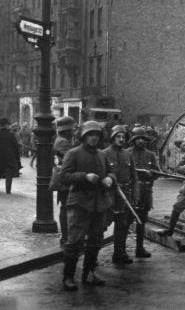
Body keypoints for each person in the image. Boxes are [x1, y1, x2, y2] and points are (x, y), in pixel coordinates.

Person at [59, 120, 116, 291]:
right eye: (90, 135)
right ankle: (68, 277)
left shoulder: (101, 154)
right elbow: (64, 176)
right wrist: (84, 176)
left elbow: (110, 171)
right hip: (80, 203)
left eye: (96, 135)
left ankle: (89, 274)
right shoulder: (73, 153)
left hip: (99, 204)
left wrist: (110, 178)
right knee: (74, 241)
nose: (93, 138)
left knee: (95, 241)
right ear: (83, 137)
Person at [103, 125, 139, 264]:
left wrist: (135, 194)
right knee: (102, 225)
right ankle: (92, 257)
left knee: (123, 225)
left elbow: (134, 176)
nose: (121, 139)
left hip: (125, 195)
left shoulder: (128, 154)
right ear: (112, 138)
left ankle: (119, 253)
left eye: (123, 137)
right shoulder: (104, 153)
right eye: (118, 137)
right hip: (109, 195)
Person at [127, 127, 159, 258]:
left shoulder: (150, 155)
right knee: (127, 220)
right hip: (131, 191)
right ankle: (121, 251)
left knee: (142, 220)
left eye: (142, 139)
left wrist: (151, 174)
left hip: (145, 191)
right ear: (133, 140)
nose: (140, 141)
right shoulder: (127, 153)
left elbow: (157, 172)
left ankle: (139, 248)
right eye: (137, 139)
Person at [53, 116, 76, 246]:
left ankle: (66, 236)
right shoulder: (63, 142)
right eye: (71, 129)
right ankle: (66, 237)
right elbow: (71, 159)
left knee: (66, 208)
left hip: (64, 180)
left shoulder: (62, 140)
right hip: (65, 182)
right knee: (66, 208)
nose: (73, 131)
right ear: (67, 130)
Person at [0, 118, 21, 194]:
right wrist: (17, 160)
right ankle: (8, 191)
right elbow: (16, 148)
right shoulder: (11, 135)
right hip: (9, 158)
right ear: (6, 125)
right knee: (9, 174)